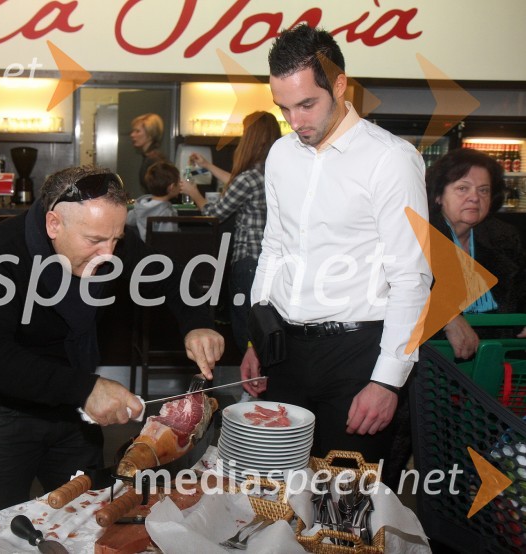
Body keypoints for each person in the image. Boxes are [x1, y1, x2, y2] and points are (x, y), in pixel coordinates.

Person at [0, 165, 225, 511]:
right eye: (95, 241)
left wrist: (198, 322)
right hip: (1, 409)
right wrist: (85, 388)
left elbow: (173, 277)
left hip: (73, 405)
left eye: (116, 240)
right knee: (1, 521)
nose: (108, 255)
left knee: (85, 513)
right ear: (54, 224)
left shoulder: (108, 242)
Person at [241, 24, 432, 469]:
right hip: (284, 351)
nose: (296, 121)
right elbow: (274, 248)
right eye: (284, 108)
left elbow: (412, 277)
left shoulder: (392, 160)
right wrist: (258, 337)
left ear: (340, 85)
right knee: (275, 495)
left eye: (307, 104)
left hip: (357, 355)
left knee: (345, 511)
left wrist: (387, 381)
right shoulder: (280, 154)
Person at [180, 112, 282, 351]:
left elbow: (215, 213)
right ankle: (264, 383)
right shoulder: (274, 174)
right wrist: (207, 166)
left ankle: (249, 386)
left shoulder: (248, 178)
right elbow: (237, 183)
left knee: (245, 327)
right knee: (267, 325)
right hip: (274, 262)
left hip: (248, 262)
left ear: (251, 139)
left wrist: (194, 194)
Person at [427, 147, 526, 356]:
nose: (474, 197)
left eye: (483, 190)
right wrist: (447, 318)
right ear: (438, 196)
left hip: (497, 358)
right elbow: (395, 293)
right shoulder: (417, 236)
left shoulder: (504, 236)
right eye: (463, 188)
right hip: (435, 361)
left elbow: (522, 287)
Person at [126, 160, 181, 241]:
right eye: (179, 182)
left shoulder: (140, 207)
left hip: (144, 251)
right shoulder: (167, 213)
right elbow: (170, 241)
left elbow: (128, 220)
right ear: (171, 187)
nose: (180, 186)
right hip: (159, 253)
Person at [130, 113, 168, 194]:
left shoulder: (154, 160)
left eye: (137, 131)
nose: (132, 135)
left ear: (150, 134)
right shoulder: (150, 157)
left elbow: (159, 192)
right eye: (133, 131)